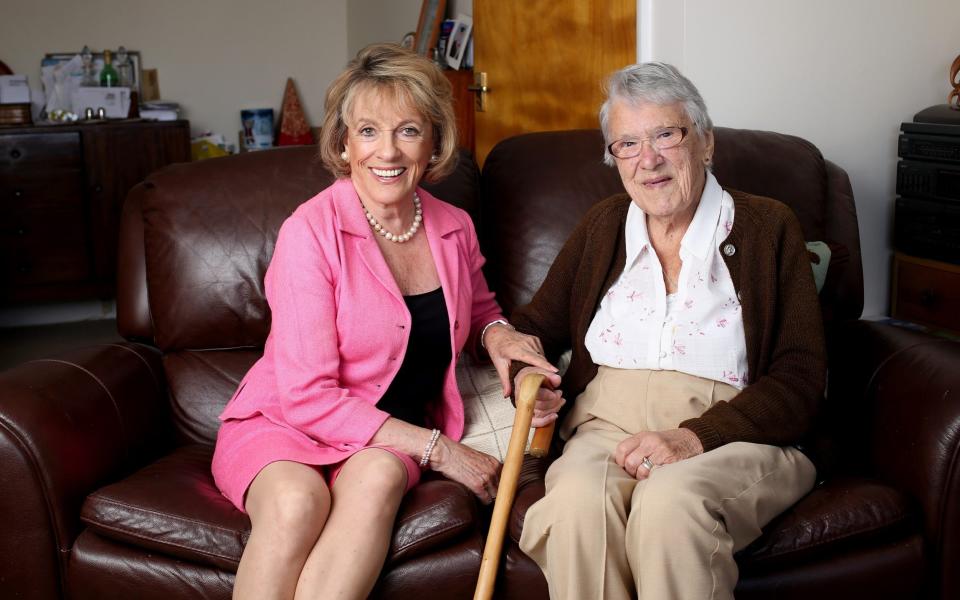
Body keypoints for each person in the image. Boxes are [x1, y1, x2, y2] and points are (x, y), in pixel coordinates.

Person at [211, 43, 553, 600]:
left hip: (385, 436)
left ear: (434, 141)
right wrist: (440, 449)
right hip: (287, 422)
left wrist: (501, 336)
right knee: (297, 504)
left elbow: (481, 309)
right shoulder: (311, 233)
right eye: (368, 131)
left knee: (380, 478)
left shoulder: (455, 227)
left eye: (408, 130)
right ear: (344, 143)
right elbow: (306, 398)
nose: (387, 151)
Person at [511, 62, 825, 599]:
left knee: (669, 504)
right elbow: (532, 329)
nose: (648, 160)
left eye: (666, 135)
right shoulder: (603, 225)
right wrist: (526, 374)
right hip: (604, 429)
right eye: (626, 145)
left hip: (732, 433)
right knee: (574, 507)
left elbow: (800, 376)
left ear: (705, 142)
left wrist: (692, 436)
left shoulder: (767, 226)